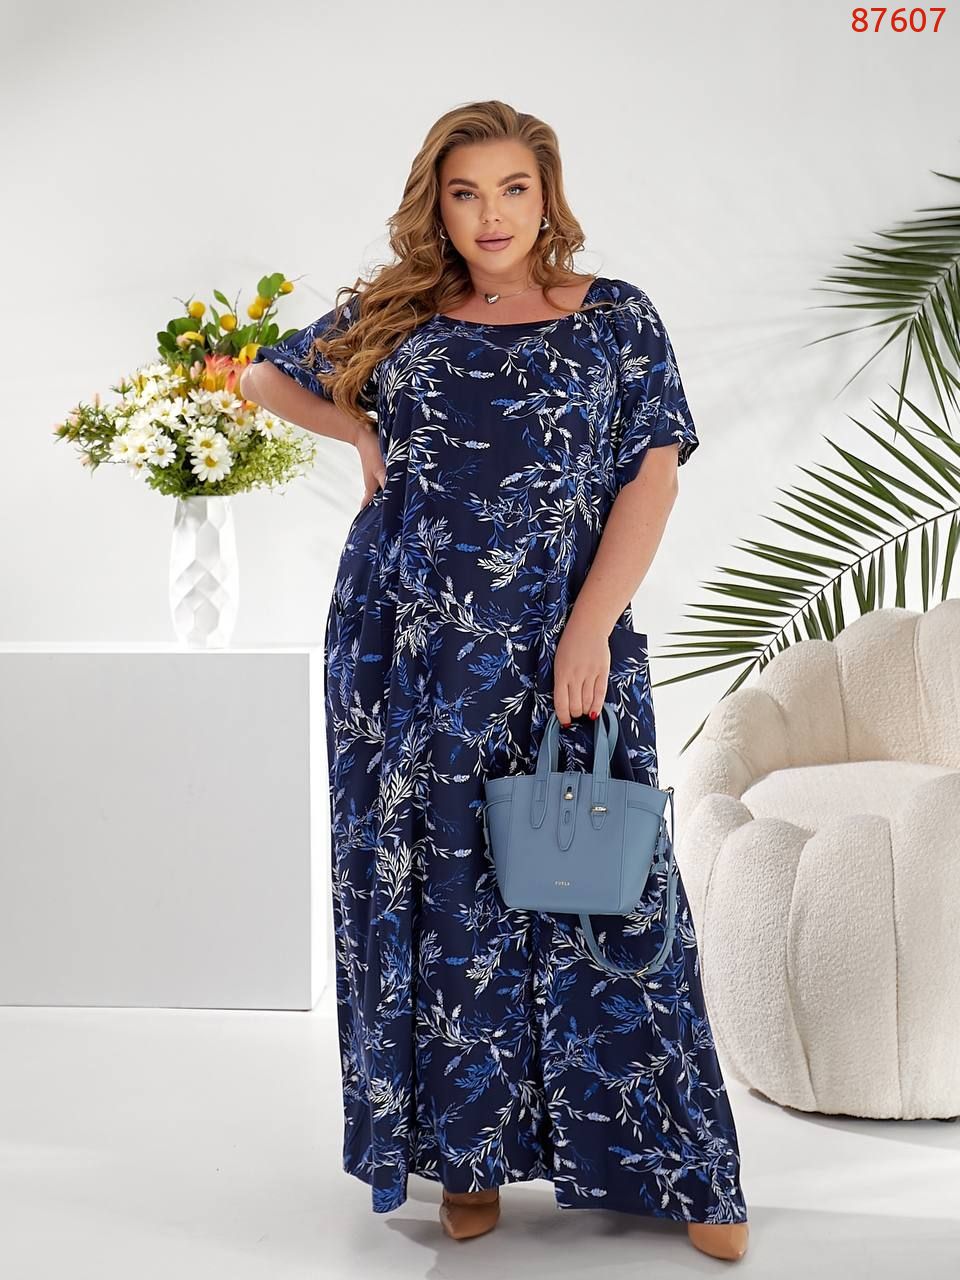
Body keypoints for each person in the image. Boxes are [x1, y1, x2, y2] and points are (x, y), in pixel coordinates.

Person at [240, 99, 749, 1262]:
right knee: (448, 900)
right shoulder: (399, 313)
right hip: (410, 654)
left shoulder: (615, 317)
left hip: (567, 644)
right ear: (438, 203)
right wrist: (360, 431)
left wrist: (589, 628)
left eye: (513, 188)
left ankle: (689, 1168)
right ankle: (464, 1162)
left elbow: (653, 478)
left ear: (546, 194)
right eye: (466, 192)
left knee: (615, 897)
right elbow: (263, 378)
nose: (491, 215)